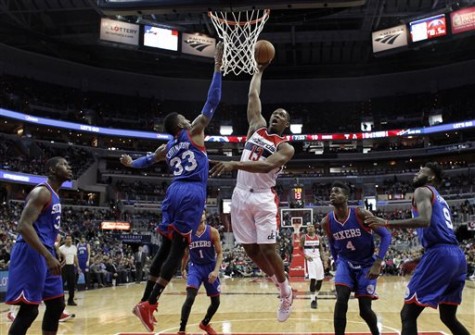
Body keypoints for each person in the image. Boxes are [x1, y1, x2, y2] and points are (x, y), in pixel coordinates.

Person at [120, 41, 223, 332]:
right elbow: (212, 102)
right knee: (178, 250)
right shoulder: (194, 131)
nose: (189, 118)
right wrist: (217, 66)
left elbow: (147, 161)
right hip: (191, 192)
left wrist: (130, 165)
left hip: (172, 191)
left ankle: (143, 302)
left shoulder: (168, 146)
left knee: (165, 247)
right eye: (184, 118)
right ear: (180, 123)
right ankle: (150, 303)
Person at [209, 62, 295, 322]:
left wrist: (234, 163)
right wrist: (259, 70)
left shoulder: (285, 147)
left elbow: (267, 166)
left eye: (282, 116)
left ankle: (285, 291)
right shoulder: (256, 126)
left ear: (286, 125)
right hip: (240, 194)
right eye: (276, 113)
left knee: (268, 249)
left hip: (263, 197)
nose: (277, 116)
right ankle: (274, 278)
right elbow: (253, 96)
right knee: (250, 250)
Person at [365, 163, 470, 335]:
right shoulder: (441, 199)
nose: (416, 173)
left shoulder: (422, 190)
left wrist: (386, 222)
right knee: (448, 318)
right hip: (457, 257)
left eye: (421, 171)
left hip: (441, 254)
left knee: (408, 314)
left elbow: (424, 220)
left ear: (431, 178)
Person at [5, 157, 73, 335]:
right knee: (29, 311)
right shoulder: (42, 192)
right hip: (31, 251)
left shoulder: (55, 194)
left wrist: (55, 249)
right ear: (52, 170)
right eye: (64, 164)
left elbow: (42, 228)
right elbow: (23, 226)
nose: (69, 167)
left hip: (45, 250)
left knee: (57, 304)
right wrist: (48, 255)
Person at [321, 181, 391, 335]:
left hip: (367, 264)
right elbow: (332, 244)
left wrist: (378, 263)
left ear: (346, 197)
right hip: (346, 263)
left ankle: (376, 332)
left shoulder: (361, 214)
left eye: (337, 192)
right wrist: (337, 261)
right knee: (341, 300)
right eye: (331, 192)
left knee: (365, 311)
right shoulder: (327, 221)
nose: (332, 194)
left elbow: (386, 235)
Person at [178, 211, 223, 335]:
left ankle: (204, 323)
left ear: (204, 217)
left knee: (216, 302)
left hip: (210, 267)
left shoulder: (213, 232)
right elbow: (186, 253)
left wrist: (216, 271)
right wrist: (183, 268)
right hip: (195, 268)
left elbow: (219, 253)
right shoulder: (188, 234)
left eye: (202, 214)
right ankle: (182, 330)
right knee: (190, 297)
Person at [300, 223, 324, 309]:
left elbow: (321, 249)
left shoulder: (319, 238)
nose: (310, 228)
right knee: (313, 279)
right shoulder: (304, 237)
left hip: (318, 259)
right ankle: (313, 300)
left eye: (311, 227)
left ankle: (315, 296)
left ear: (314, 228)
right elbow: (300, 249)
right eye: (308, 227)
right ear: (307, 229)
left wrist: (324, 260)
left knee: (320, 280)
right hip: (310, 260)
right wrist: (305, 256)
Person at [59, 234, 79, 306]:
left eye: (70, 239)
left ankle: (70, 300)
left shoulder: (74, 248)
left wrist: (78, 266)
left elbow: (75, 258)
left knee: (72, 284)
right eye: (67, 239)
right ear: (65, 240)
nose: (69, 240)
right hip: (63, 267)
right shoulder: (61, 248)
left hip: (71, 266)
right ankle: (62, 301)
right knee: (61, 284)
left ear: (72, 240)